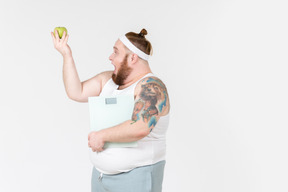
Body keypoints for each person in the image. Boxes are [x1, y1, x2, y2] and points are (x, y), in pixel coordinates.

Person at [51, 28, 170, 192]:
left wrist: (102, 136)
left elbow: (141, 126)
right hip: (101, 178)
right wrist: (66, 55)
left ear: (133, 58)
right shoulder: (108, 80)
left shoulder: (152, 87)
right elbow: (75, 92)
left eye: (116, 52)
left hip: (136, 179)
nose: (110, 57)